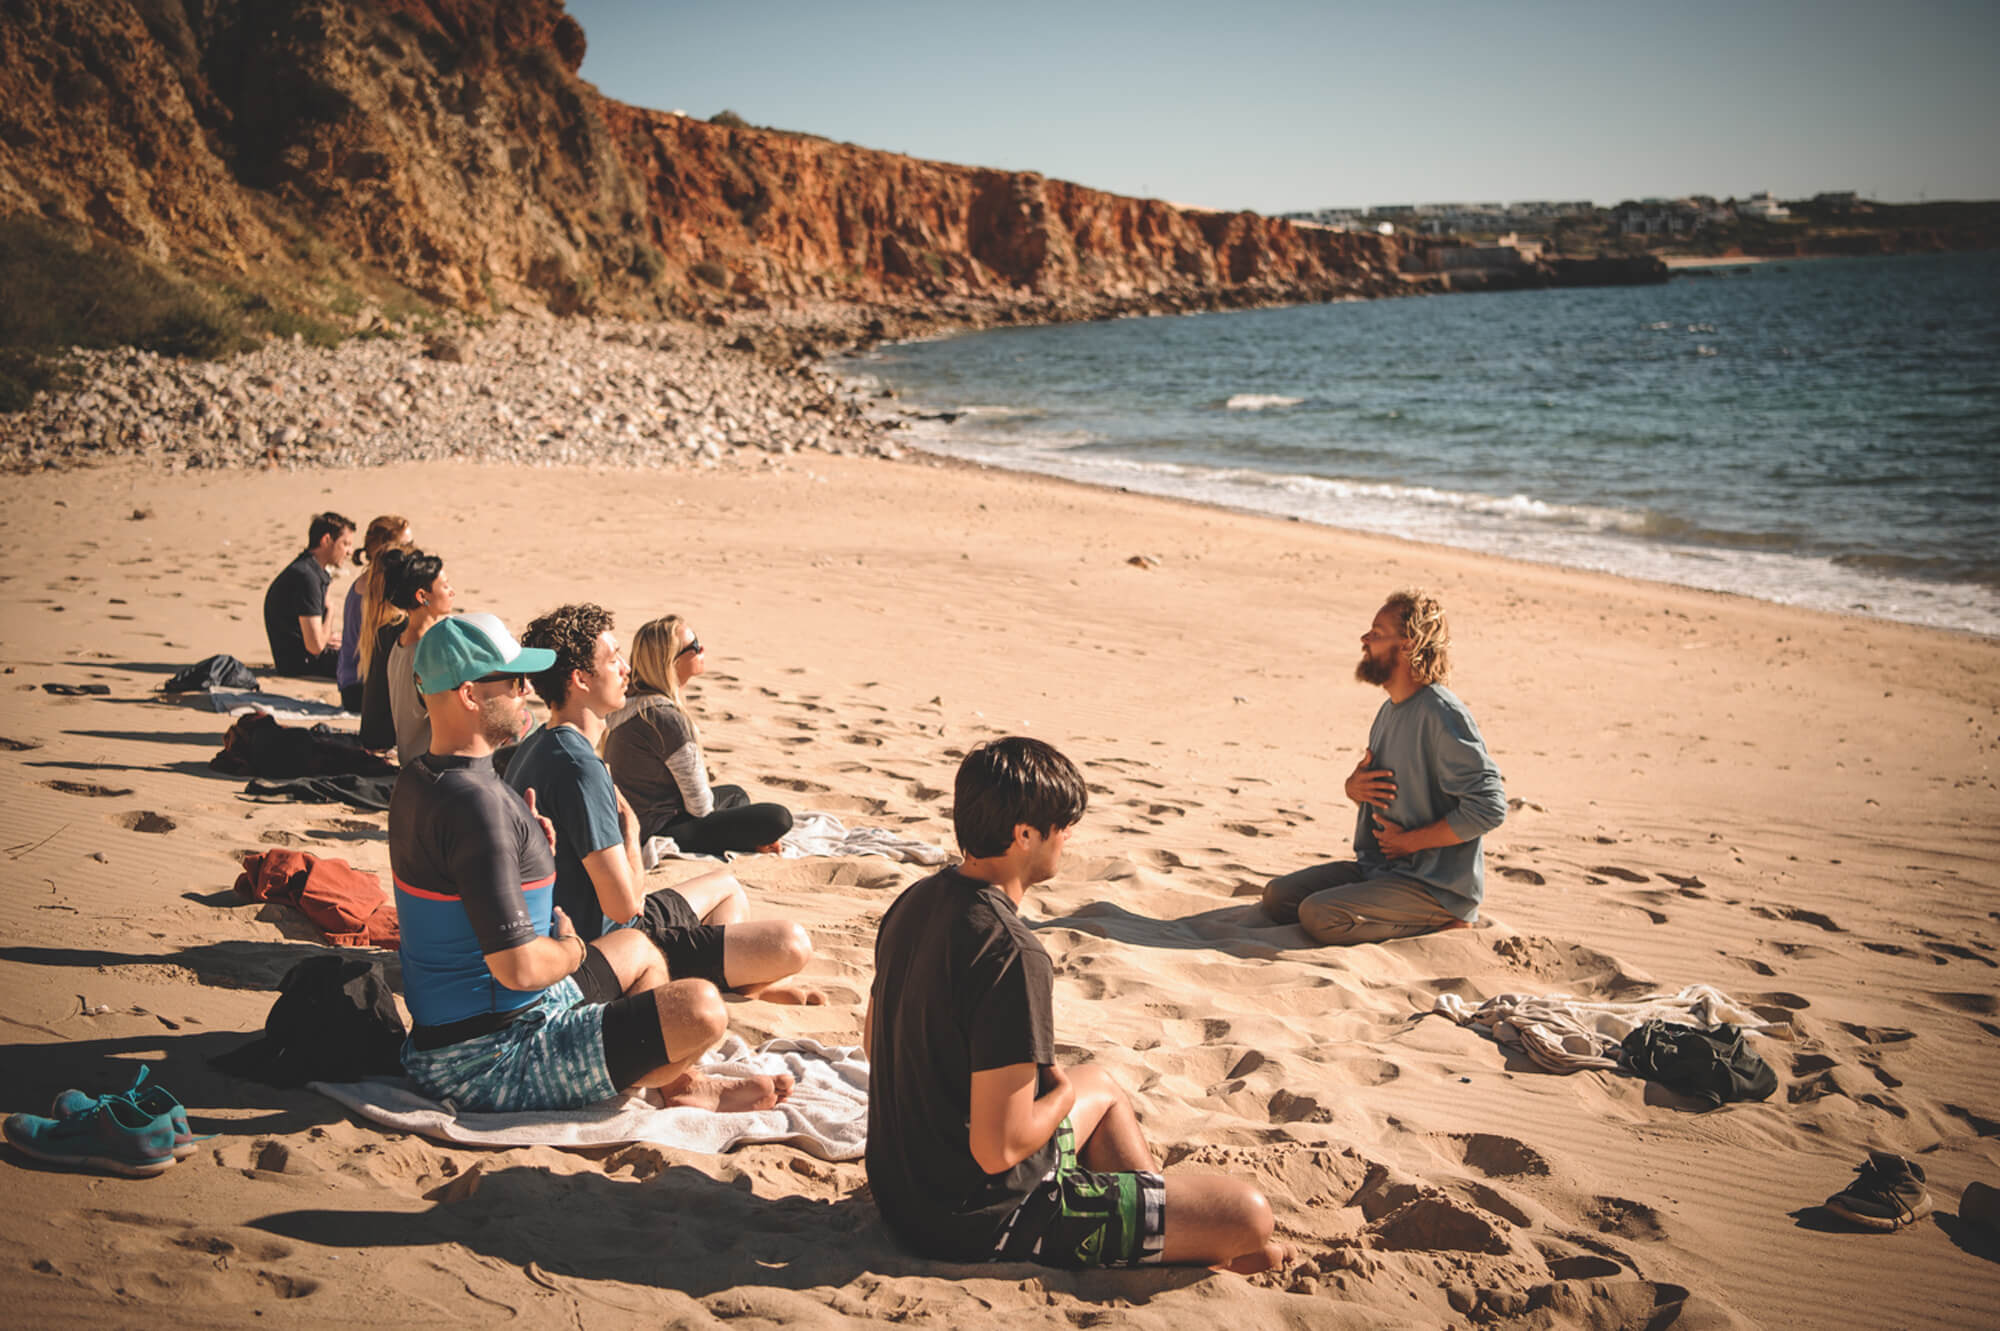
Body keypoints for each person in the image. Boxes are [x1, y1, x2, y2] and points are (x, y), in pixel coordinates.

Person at [865, 736, 1288, 1273]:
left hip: (903, 1192)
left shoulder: (912, 902)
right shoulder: (1010, 953)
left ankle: (1154, 1229)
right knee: (1248, 1215)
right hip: (979, 1219)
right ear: (1024, 834)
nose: (1068, 837)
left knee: (1104, 1085)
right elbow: (999, 1151)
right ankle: (1164, 1244)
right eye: (1062, 825)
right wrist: (1059, 1094)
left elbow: (875, 1048)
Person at [389, 611, 791, 1114]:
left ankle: (677, 1082)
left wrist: (526, 852)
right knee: (702, 1009)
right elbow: (518, 967)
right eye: (514, 682)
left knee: (639, 948)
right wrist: (573, 951)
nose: (525, 691)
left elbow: (457, 884)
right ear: (470, 695)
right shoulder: (476, 807)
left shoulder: (422, 779)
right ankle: (676, 1083)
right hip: (489, 1057)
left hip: (453, 1033)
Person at [508, 604, 821, 1004]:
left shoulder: (539, 744)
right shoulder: (578, 767)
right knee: (791, 943)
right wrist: (633, 831)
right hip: (611, 950)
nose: (625, 668)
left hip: (602, 929)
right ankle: (717, 987)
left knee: (727, 887)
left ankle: (731, 985)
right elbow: (623, 908)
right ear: (580, 679)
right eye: (613, 659)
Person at [1261, 589, 1506, 945]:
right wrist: (1353, 788)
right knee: (1279, 897)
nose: (1364, 639)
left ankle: (1447, 921)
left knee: (1319, 915)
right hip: (1380, 870)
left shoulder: (1442, 714)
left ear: (1407, 645)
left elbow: (1490, 807)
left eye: (1376, 633)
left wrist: (1410, 843)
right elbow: (1395, 795)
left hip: (1433, 886)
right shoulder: (1390, 710)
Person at [602, 614, 793, 855]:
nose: (702, 649)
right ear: (671, 662)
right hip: (660, 829)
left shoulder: (630, 702)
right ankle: (749, 842)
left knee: (735, 794)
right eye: (693, 647)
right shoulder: (664, 718)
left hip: (637, 820)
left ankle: (746, 837)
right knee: (778, 818)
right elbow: (700, 807)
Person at [359, 548, 453, 764]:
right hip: (433, 766)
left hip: (410, 760)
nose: (451, 591)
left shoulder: (399, 644)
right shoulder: (430, 651)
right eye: (445, 585)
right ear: (422, 596)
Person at [261, 512, 354, 678]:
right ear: (326, 540)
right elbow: (315, 646)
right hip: (301, 665)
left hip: (303, 659)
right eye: (345, 544)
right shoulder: (306, 577)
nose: (349, 552)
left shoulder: (309, 570)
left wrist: (327, 638)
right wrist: (331, 611)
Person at [336, 514, 410, 711]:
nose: (412, 550)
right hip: (363, 690)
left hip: (352, 685)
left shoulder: (366, 582)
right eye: (406, 544)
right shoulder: (379, 589)